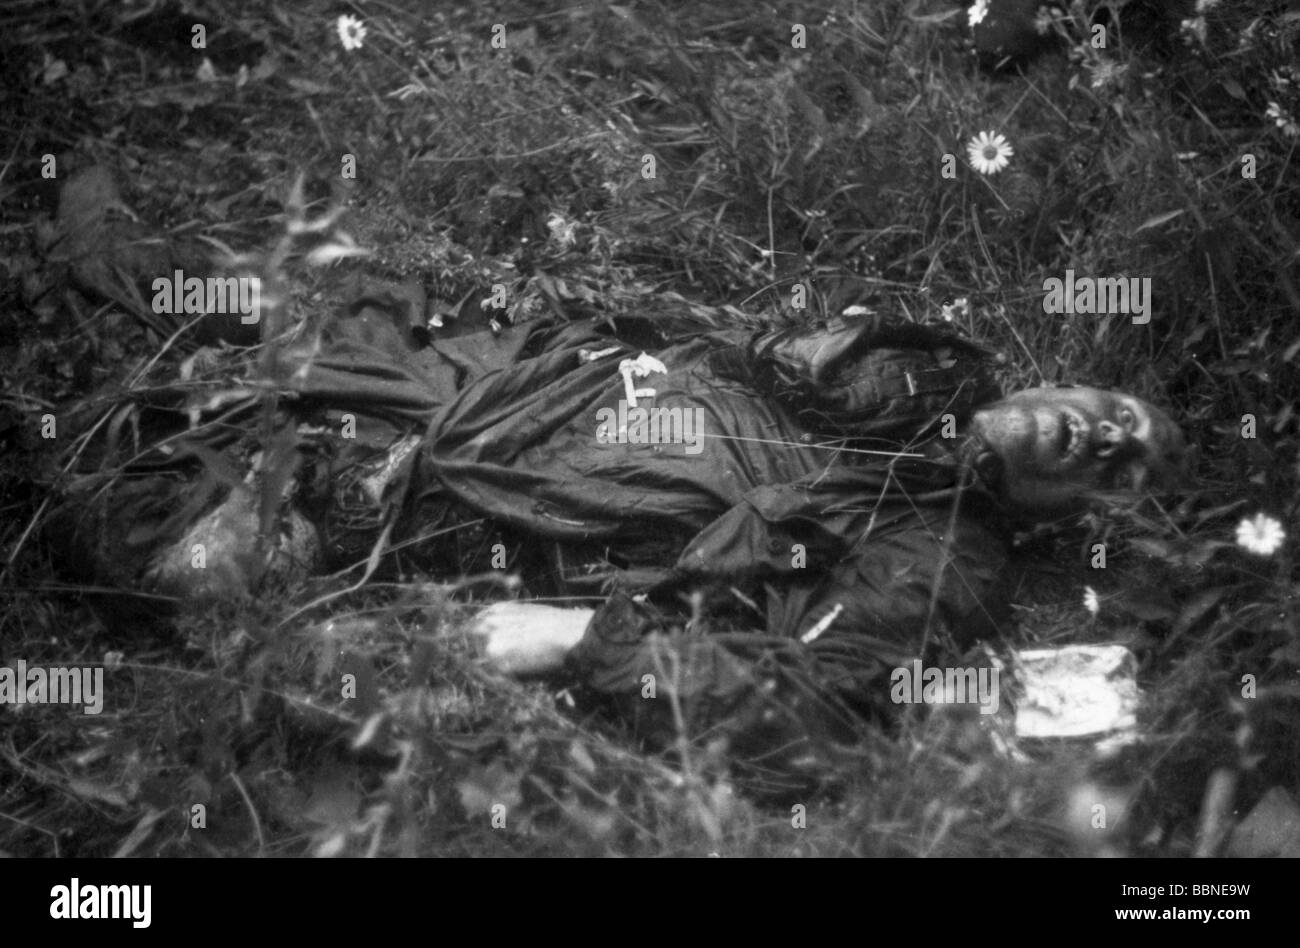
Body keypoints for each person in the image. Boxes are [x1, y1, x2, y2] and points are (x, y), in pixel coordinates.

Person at [281, 300, 1188, 790]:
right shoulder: (915, 367)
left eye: (1123, 466)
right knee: (237, 374)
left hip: (471, 545)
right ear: (1066, 382)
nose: (1108, 439)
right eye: (1118, 415)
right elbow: (713, 352)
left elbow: (806, 710)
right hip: (479, 403)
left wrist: (579, 639)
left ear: (1080, 510)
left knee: (191, 572)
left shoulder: (949, 559)